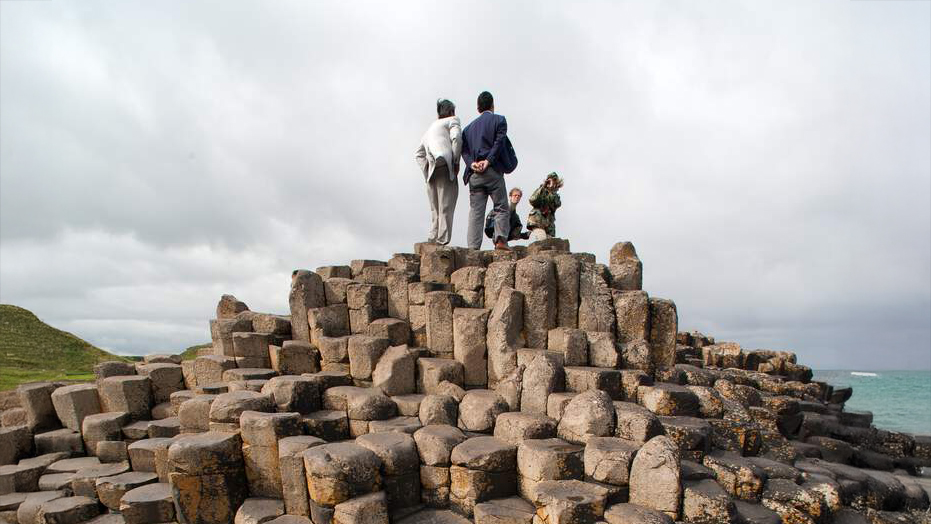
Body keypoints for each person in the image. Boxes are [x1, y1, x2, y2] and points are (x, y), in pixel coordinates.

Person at [461, 91, 518, 250]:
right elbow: (499, 143)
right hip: (492, 171)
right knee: (501, 206)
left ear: (478, 108)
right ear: (492, 105)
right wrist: (488, 161)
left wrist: (472, 163)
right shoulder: (499, 120)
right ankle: (500, 240)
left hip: (474, 174)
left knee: (476, 212)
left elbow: (463, 150)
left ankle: (472, 249)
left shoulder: (467, 129)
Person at [415, 99, 461, 245]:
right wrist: (456, 161)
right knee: (446, 205)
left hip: (432, 170)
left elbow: (418, 154)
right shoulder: (453, 120)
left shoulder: (430, 128)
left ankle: (432, 237)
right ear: (451, 112)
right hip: (445, 165)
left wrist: (427, 170)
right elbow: (457, 138)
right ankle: (442, 241)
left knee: (435, 208)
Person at [527, 172, 563, 241]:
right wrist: (543, 187)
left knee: (549, 243)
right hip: (538, 221)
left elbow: (556, 204)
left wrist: (552, 190)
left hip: (549, 225)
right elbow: (532, 200)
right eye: (549, 180)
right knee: (541, 238)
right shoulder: (540, 190)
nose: (551, 182)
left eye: (554, 180)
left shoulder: (555, 196)